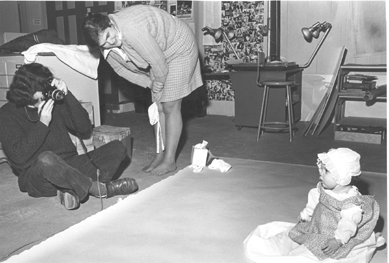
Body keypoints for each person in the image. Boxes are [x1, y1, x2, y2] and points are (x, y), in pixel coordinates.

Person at [82, 5, 203, 176]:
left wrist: (158, 85)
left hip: (179, 47)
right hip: (160, 51)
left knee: (169, 105)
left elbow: (159, 63)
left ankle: (169, 161)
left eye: (109, 37)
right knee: (158, 107)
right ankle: (159, 155)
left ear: (110, 23)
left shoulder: (132, 29)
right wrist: (149, 83)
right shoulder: (105, 42)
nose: (110, 43)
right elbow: (121, 70)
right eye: (104, 44)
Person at [0, 63, 138, 210]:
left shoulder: (53, 102)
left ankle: (69, 188)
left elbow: (84, 127)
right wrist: (42, 124)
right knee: (46, 159)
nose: (47, 93)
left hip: (70, 163)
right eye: (42, 90)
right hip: (38, 175)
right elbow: (18, 157)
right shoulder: (7, 113)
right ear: (26, 91)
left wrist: (67, 94)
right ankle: (98, 188)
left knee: (117, 147)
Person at [244, 148, 383, 262]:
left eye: (326, 171)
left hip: (334, 232)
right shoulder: (324, 189)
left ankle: (373, 238)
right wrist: (306, 214)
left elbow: (348, 224)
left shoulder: (350, 203)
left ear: (342, 177)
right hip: (318, 224)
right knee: (294, 237)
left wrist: (338, 240)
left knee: (316, 253)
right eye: (321, 169)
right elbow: (315, 202)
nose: (320, 173)